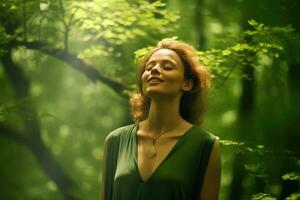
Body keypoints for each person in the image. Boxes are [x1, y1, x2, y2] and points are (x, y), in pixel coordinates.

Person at [100, 39, 221, 200]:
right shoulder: (116, 140)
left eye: (167, 66)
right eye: (149, 67)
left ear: (187, 84)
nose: (155, 70)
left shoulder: (205, 145)